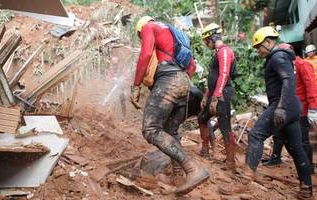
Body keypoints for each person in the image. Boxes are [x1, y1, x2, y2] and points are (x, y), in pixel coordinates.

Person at [220, 26, 313, 199]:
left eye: (259, 46)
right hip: (291, 106)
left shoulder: (277, 57)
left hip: (283, 104)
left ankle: (245, 183)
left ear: (269, 42)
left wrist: (281, 107)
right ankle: (306, 188)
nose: (258, 51)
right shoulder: (280, 57)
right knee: (295, 148)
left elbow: (288, 80)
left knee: (255, 135)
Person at [130, 16, 209, 195]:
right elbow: (192, 67)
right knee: (171, 131)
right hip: (185, 83)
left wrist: (136, 85)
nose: (142, 37)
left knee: (150, 129)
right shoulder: (176, 34)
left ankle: (192, 169)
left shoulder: (148, 27)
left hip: (169, 81)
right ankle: (178, 176)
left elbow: (146, 54)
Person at [262, 44, 317, 175]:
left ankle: (308, 168)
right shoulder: (284, 64)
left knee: (303, 139)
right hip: (286, 106)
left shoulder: (302, 65)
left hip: (301, 108)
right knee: (279, 133)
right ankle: (275, 158)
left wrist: (313, 108)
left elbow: (311, 86)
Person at [198, 23, 236, 172]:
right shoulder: (218, 51)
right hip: (215, 93)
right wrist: (207, 95)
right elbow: (213, 78)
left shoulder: (224, 51)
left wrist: (216, 97)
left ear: (212, 38)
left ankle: (231, 162)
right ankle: (205, 149)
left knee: (225, 125)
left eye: (206, 40)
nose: (206, 44)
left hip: (222, 94)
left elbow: (224, 75)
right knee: (202, 117)